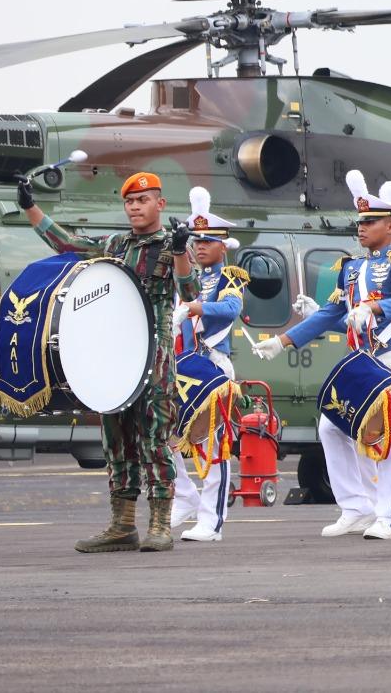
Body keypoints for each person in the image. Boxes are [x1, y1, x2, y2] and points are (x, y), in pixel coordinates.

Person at [19, 169, 196, 553]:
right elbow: (67, 244)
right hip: (116, 355)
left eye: (143, 200)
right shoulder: (115, 243)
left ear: (160, 204)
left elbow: (190, 291)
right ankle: (122, 526)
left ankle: (162, 524)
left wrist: (181, 251)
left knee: (154, 439)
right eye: (130, 201)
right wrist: (30, 206)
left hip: (156, 356)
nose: (135, 207)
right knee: (116, 440)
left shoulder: (171, 245)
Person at [255, 172, 391, 540]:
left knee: (386, 437)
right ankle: (355, 507)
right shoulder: (349, 268)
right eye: (360, 221)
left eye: (370, 221)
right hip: (360, 362)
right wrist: (283, 340)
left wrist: (374, 309)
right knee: (331, 427)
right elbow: (330, 315)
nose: (361, 228)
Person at [170, 187, 249, 542]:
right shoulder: (187, 277)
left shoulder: (229, 276)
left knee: (212, 444)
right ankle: (185, 496)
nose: (200, 246)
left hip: (212, 366)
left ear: (223, 246)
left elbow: (231, 309)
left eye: (208, 241)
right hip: (181, 364)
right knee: (162, 435)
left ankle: (211, 520)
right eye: (196, 240)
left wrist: (196, 307)